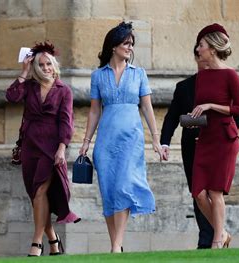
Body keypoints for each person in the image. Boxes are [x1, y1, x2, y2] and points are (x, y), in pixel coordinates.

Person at [79, 21, 164, 253]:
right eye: (126, 43)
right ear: (114, 46)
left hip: (131, 140)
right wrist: (86, 142)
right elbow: (95, 110)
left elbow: (147, 108)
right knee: (109, 190)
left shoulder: (139, 74)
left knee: (124, 187)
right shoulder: (98, 76)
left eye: (132, 44)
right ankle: (115, 244)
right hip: (105, 141)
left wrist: (156, 140)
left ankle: (116, 246)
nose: (130, 48)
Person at [5, 41, 80, 256]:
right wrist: (24, 71)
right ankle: (53, 240)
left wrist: (61, 148)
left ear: (54, 65)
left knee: (40, 191)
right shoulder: (28, 87)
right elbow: (11, 97)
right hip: (30, 145)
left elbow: (67, 122)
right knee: (36, 196)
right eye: (41, 64)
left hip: (50, 146)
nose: (46, 68)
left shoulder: (63, 90)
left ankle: (36, 243)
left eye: (49, 64)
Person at [190, 24, 239, 249]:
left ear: (212, 48)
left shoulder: (230, 75)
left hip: (224, 138)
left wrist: (212, 105)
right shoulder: (201, 76)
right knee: (199, 194)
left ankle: (216, 241)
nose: (198, 49)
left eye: (201, 45)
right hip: (205, 137)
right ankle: (222, 233)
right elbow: (199, 108)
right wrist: (192, 120)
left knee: (215, 191)